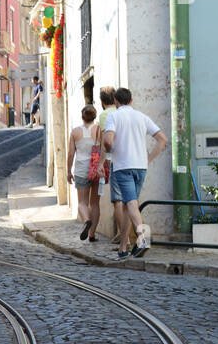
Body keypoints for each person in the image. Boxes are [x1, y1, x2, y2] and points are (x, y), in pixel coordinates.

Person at [101, 87, 168, 260]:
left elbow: (107, 140)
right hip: (140, 166)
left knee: (130, 204)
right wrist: (150, 158)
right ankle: (123, 247)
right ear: (131, 100)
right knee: (128, 207)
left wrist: (110, 150)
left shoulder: (113, 116)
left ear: (116, 101)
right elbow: (162, 139)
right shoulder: (142, 117)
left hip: (123, 166)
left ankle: (143, 238)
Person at [67, 104, 102, 241]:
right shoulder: (99, 130)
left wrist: (68, 171)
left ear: (82, 117)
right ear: (94, 116)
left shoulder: (75, 132)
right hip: (96, 169)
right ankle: (92, 234)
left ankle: (86, 220)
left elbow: (71, 154)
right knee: (95, 204)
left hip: (81, 170)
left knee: (82, 202)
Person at [97, 84, 118, 241]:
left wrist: (100, 163)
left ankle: (122, 235)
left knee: (117, 201)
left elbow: (106, 140)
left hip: (113, 160)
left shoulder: (104, 115)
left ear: (102, 101)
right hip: (127, 158)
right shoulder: (119, 111)